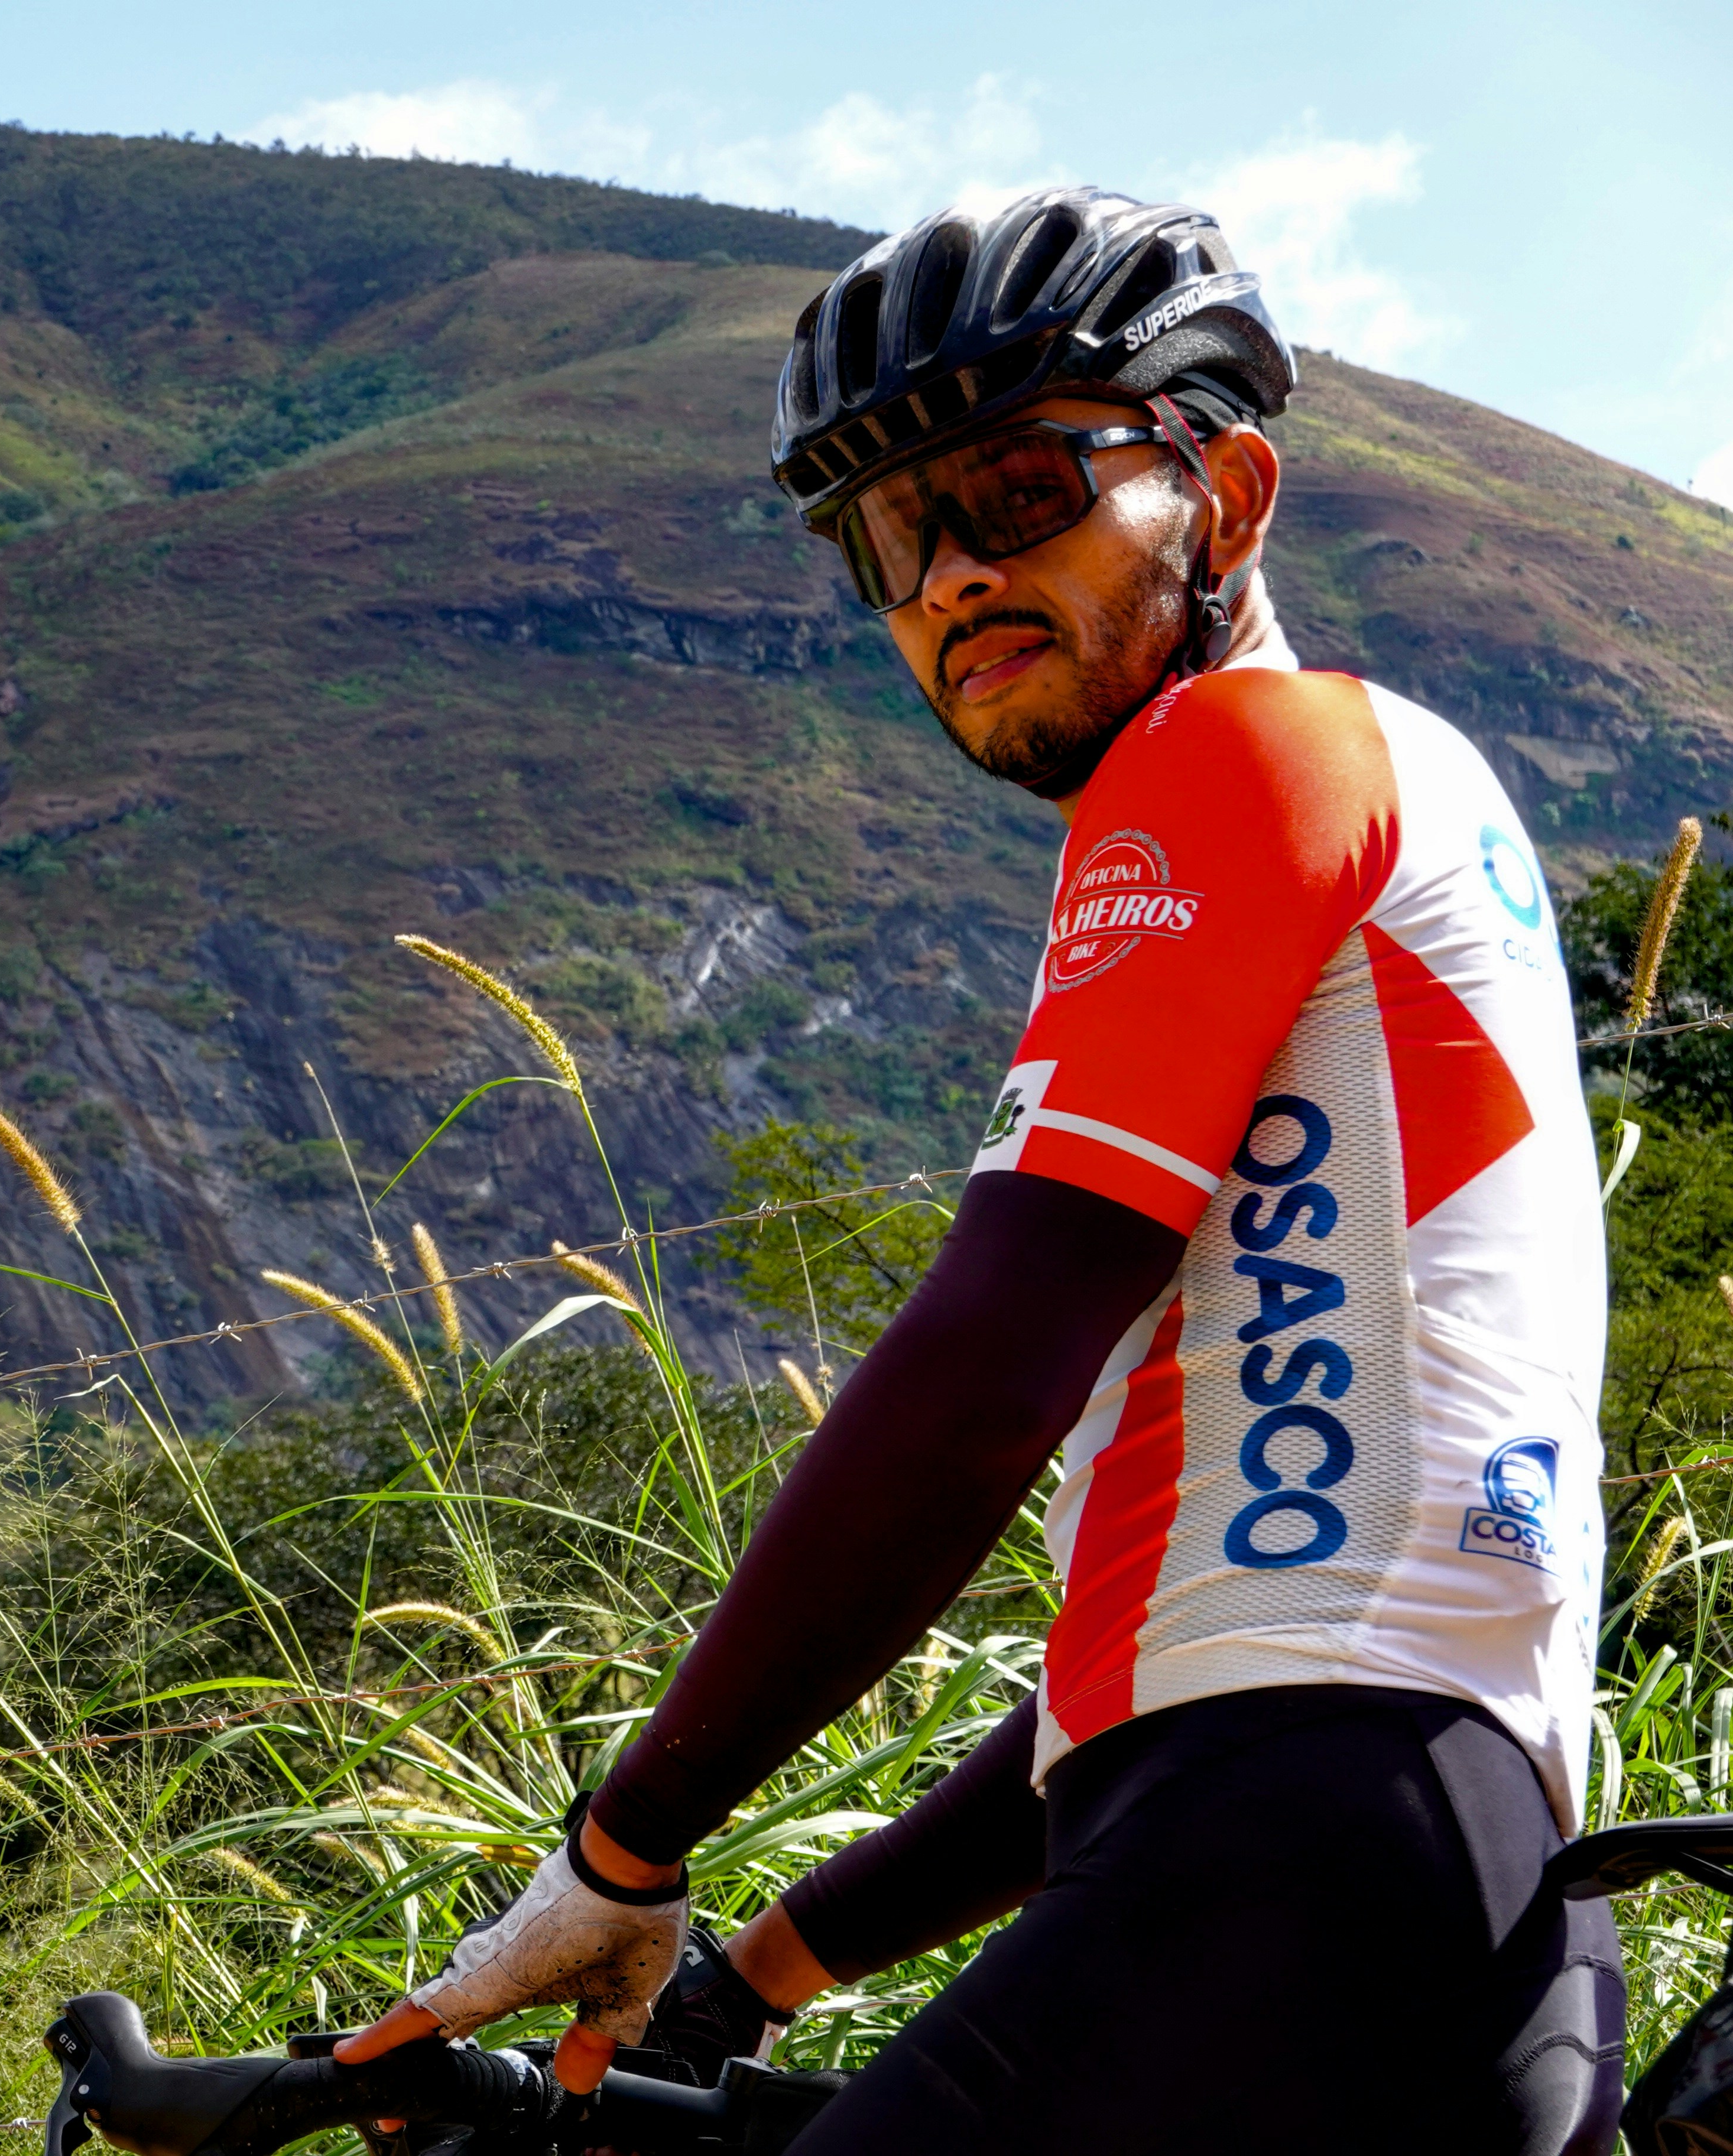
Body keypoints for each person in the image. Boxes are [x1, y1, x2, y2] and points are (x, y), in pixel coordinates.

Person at [336, 185, 1627, 2154]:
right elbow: (1217, 1630)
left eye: (1018, 490)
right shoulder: (1407, 799)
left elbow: (988, 1368)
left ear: (1234, 489)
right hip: (1442, 1875)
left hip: (1289, 1853)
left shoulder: (1235, 762)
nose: (948, 576)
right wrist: (754, 1969)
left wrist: (626, 1843)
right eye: (888, 540)